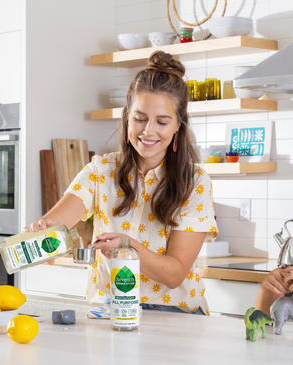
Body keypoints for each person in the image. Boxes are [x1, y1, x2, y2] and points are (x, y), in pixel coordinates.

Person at [29, 51, 218, 314]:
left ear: (178, 126)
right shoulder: (101, 170)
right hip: (109, 310)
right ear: (127, 116)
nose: (147, 131)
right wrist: (43, 236)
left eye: (162, 121)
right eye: (139, 118)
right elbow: (56, 224)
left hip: (173, 314)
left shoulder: (194, 183)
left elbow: (175, 274)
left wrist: (127, 248)